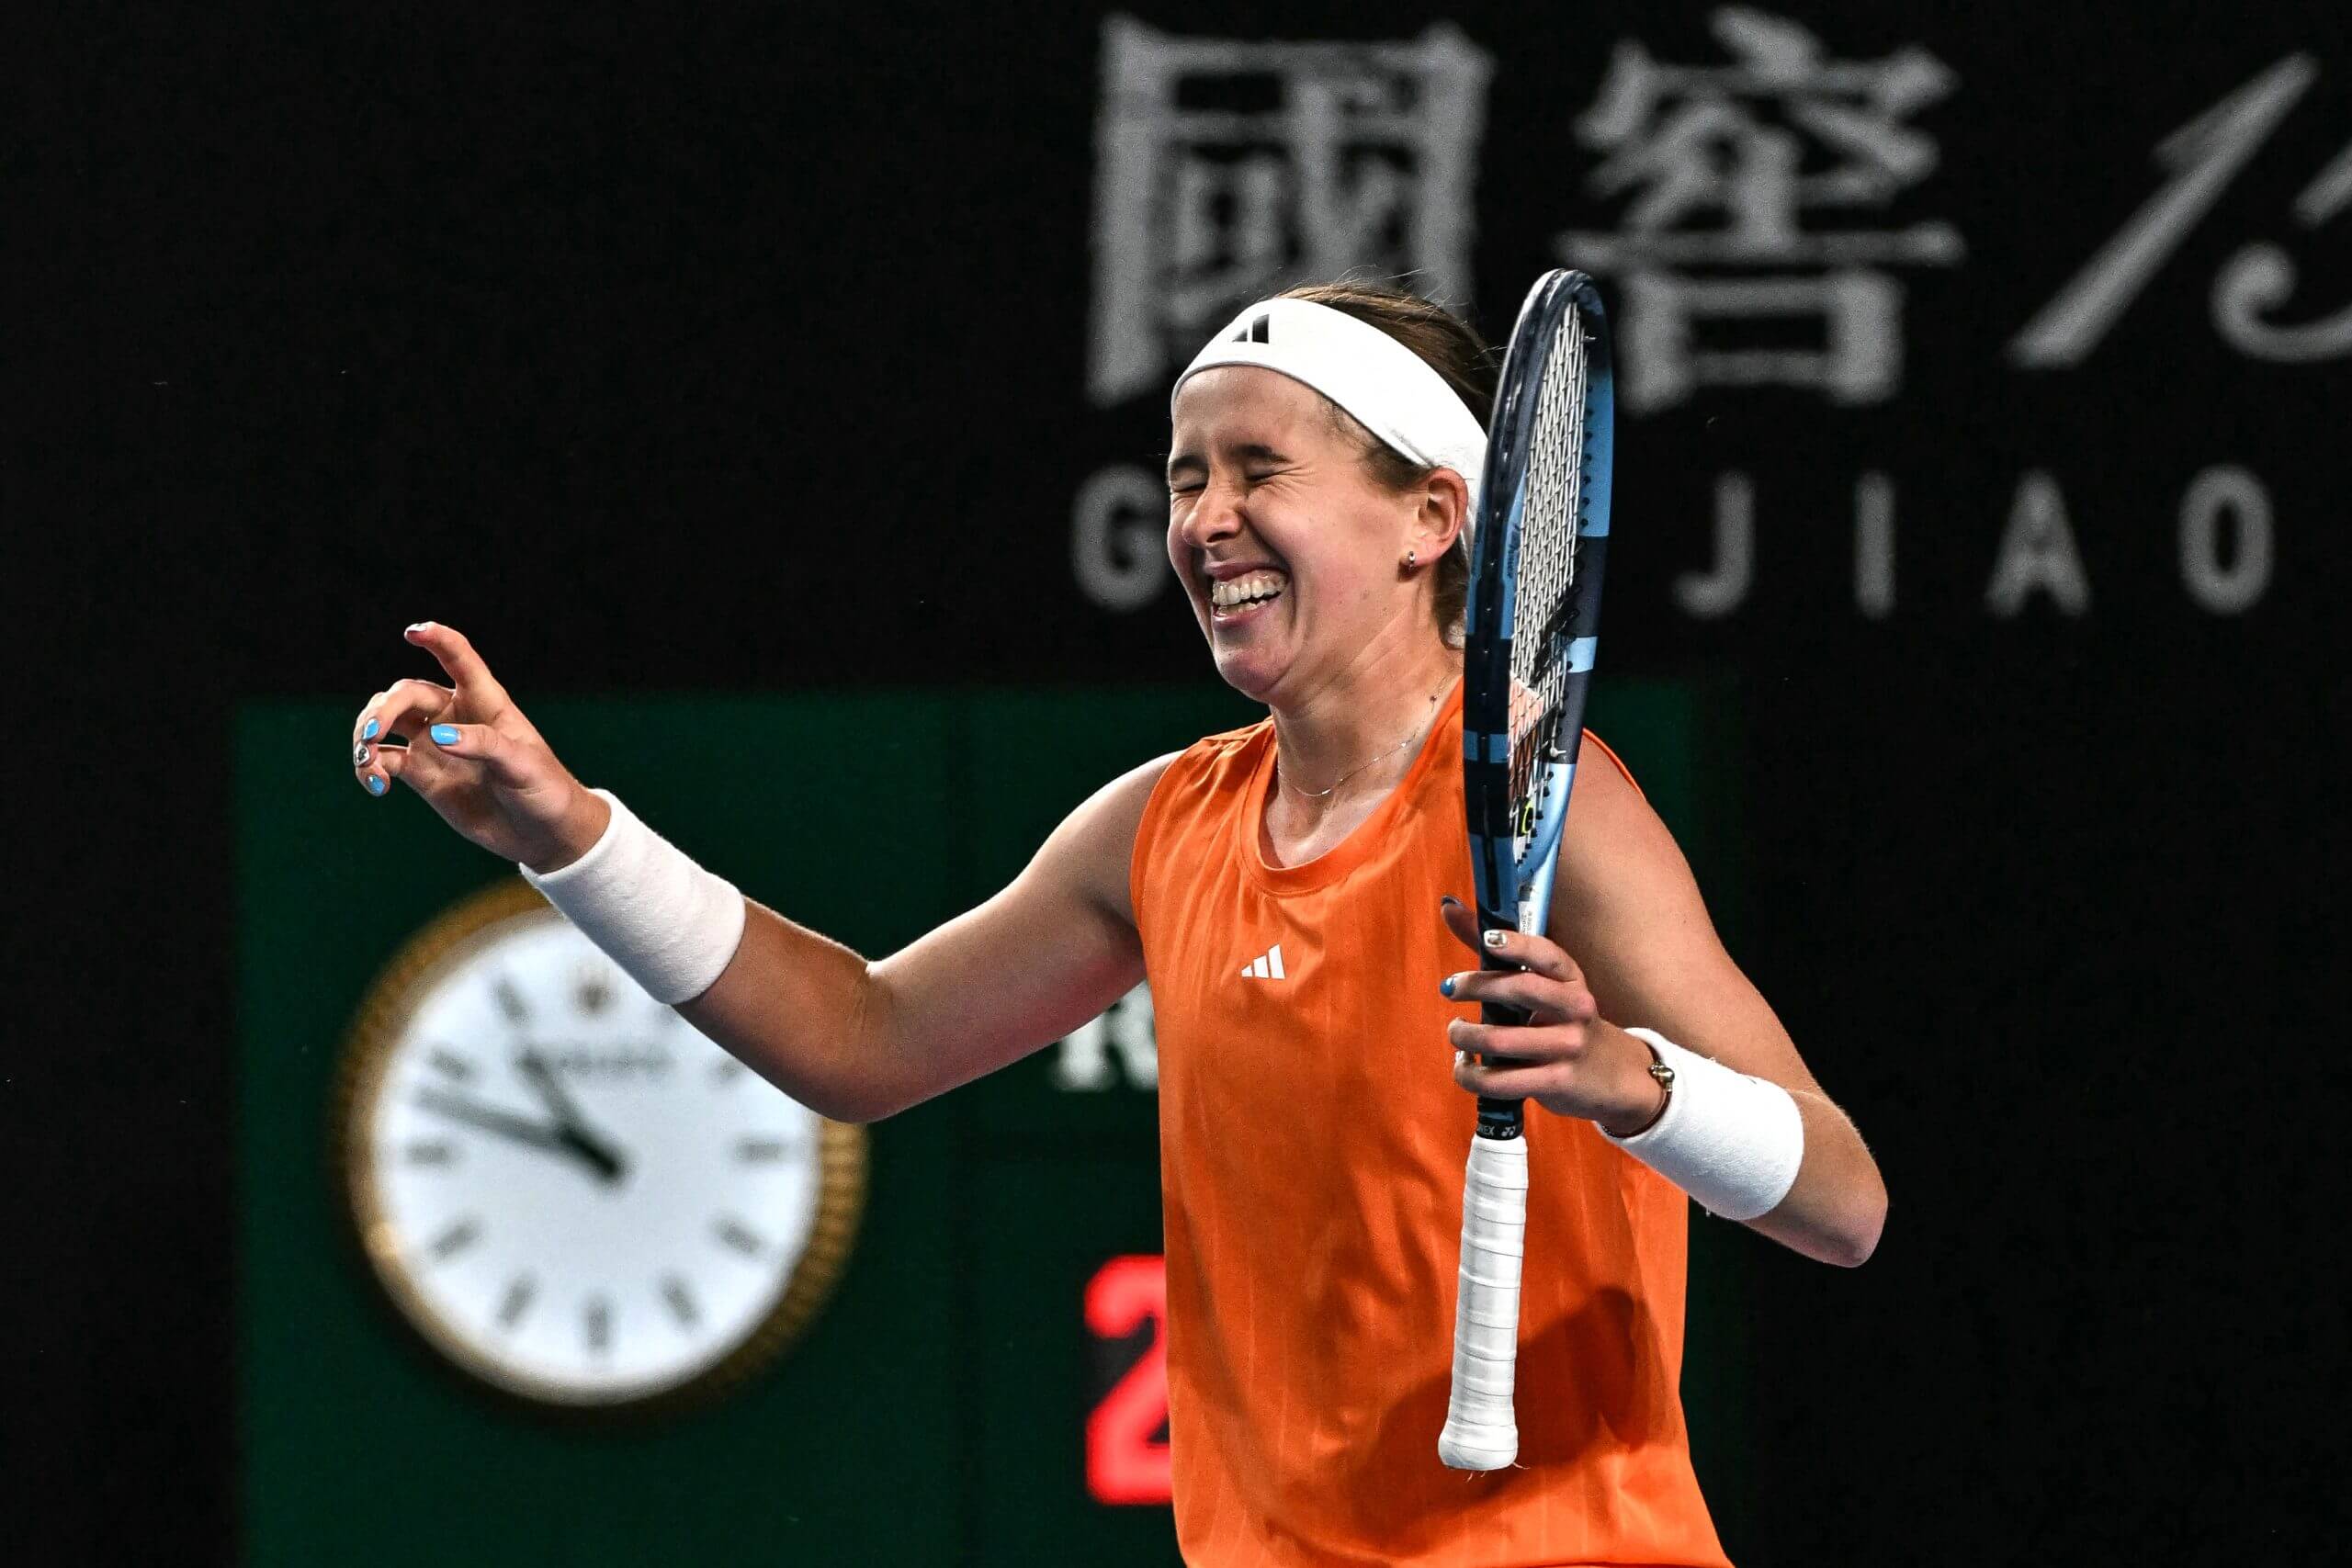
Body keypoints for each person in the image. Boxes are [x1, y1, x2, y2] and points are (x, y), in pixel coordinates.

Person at [349, 280, 1885, 1566]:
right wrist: (566, 832)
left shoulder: (1568, 805)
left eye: (1260, 470)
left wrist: (1634, 1085)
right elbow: (858, 1041)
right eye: (1184, 476)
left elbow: (1843, 1202)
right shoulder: (1160, 826)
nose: (1207, 520)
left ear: (1431, 517)